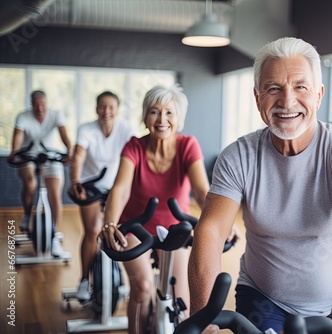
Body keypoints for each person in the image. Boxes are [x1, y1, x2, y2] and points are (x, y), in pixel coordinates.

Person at [188, 37, 332, 334]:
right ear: (257, 98)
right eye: (273, 88)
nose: (287, 101)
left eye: (300, 87)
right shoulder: (239, 156)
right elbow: (210, 232)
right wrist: (203, 319)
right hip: (262, 298)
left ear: (318, 95)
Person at [100, 84, 210, 333]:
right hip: (135, 228)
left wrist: (219, 221)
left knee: (178, 298)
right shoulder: (134, 146)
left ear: (178, 117)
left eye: (169, 113)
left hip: (174, 230)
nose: (162, 120)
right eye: (154, 112)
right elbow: (120, 189)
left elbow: (202, 191)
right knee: (142, 287)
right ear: (145, 116)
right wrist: (109, 223)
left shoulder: (188, 145)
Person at [67, 91, 134, 301]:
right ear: (97, 109)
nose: (107, 111)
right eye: (103, 107)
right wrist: (75, 181)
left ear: (117, 109)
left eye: (111, 107)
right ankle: (84, 279)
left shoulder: (126, 129)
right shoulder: (86, 129)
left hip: (117, 186)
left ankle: (119, 276)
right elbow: (78, 156)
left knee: (119, 232)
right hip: (91, 185)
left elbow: (135, 156)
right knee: (93, 230)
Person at [9, 90, 73, 257]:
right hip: (28, 156)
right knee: (30, 183)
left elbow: (64, 134)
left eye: (43, 105)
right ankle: (27, 215)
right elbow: (17, 138)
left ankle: (53, 235)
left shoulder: (56, 115)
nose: (40, 109)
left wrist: (70, 150)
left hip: (50, 156)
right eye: (36, 105)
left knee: (54, 193)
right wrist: (15, 151)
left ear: (47, 104)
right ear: (31, 104)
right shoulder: (23, 117)